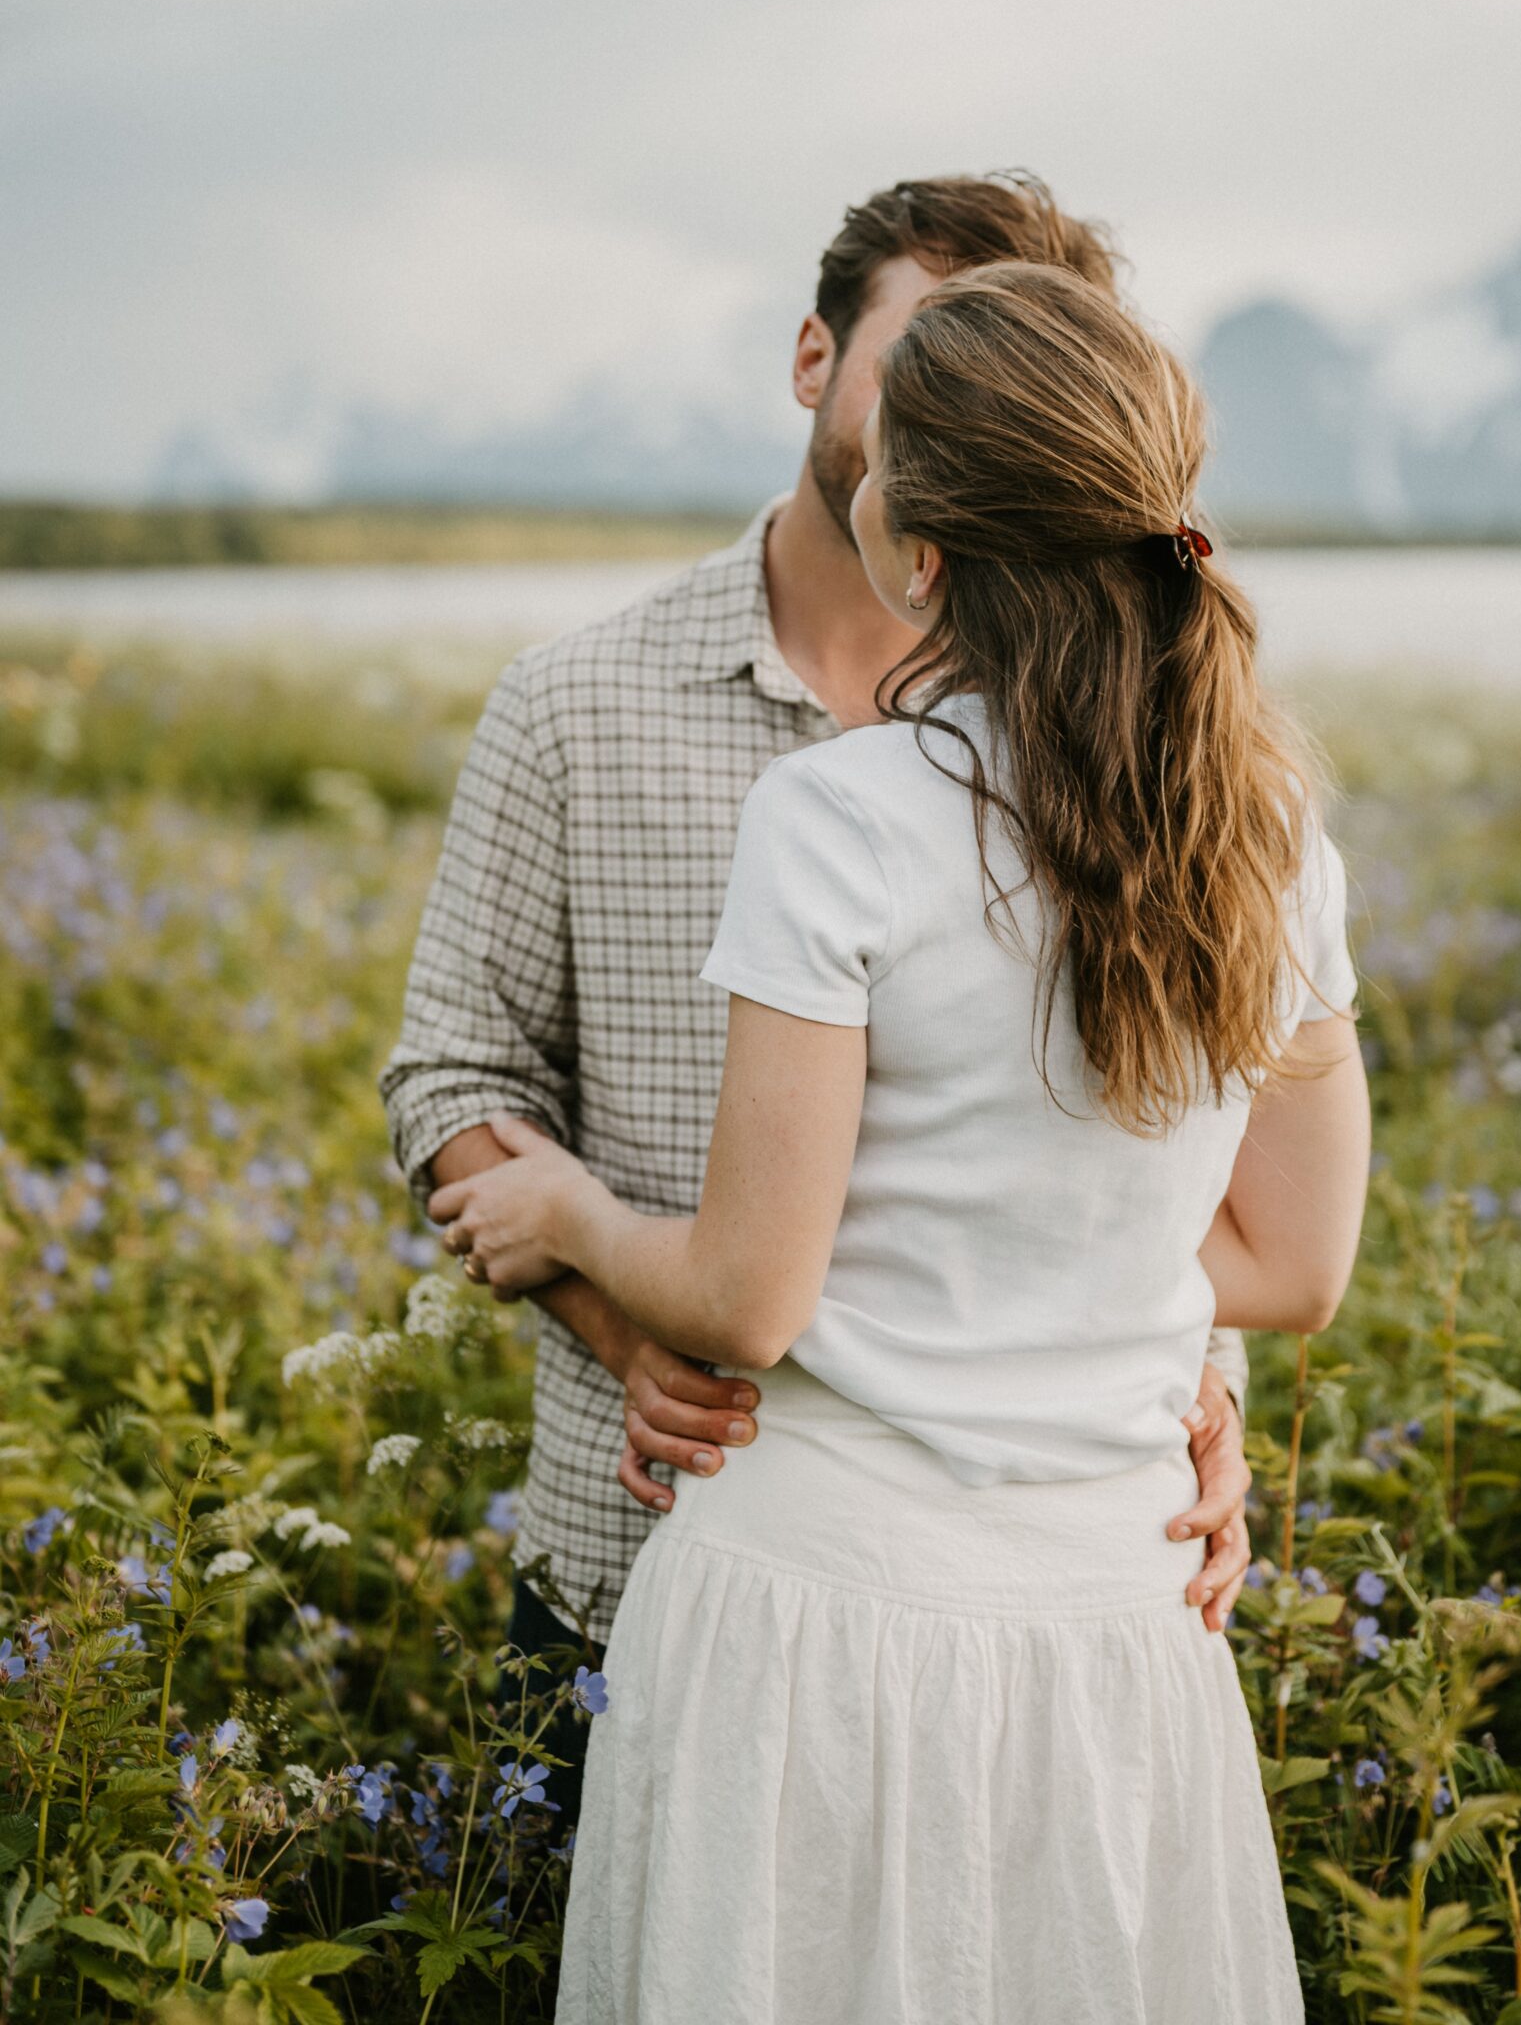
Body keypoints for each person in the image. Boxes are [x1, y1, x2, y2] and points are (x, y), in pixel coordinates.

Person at [433, 260, 1372, 2021]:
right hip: (1121, 1617)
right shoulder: (1266, 833)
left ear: (924, 552)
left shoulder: (844, 816)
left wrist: (561, 1200)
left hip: (817, 1621)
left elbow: (746, 1297)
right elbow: (1294, 1270)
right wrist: (1079, 1309)